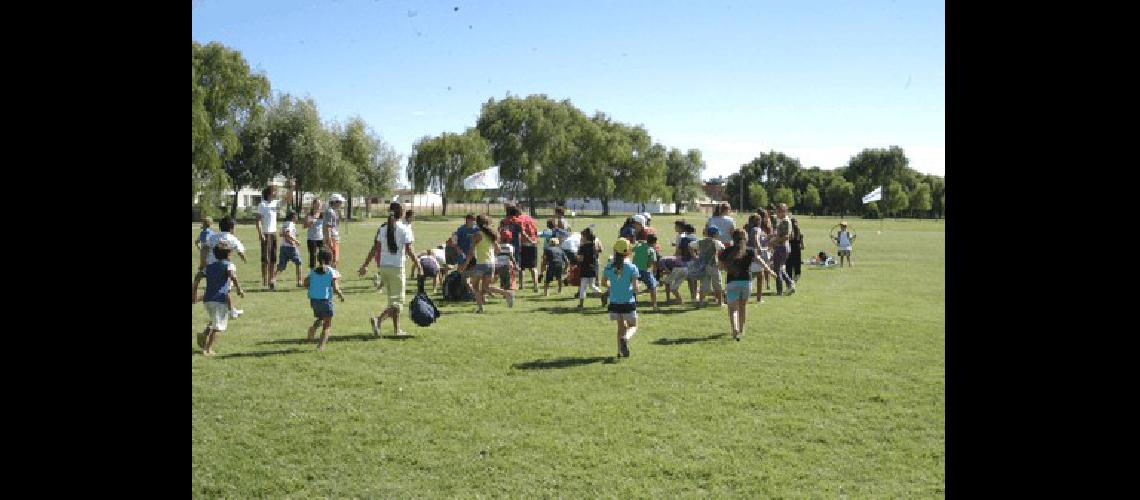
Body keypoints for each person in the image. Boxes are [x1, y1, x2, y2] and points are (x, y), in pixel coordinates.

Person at [358, 202, 421, 337]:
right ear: (401, 213)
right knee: (397, 303)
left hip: (384, 268)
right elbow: (410, 250)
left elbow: (375, 248)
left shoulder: (383, 228)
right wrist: (419, 265)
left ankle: (397, 330)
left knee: (392, 300)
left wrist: (365, 265)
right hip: (396, 268)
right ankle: (378, 320)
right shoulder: (404, 229)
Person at [192, 243, 246, 356]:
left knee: (216, 320)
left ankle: (204, 335)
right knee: (219, 327)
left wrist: (194, 293)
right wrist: (239, 289)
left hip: (207, 300)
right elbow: (232, 276)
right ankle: (207, 349)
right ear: (229, 254)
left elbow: (197, 277)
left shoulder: (209, 267)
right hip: (219, 300)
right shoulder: (228, 265)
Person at [458, 215, 516, 313]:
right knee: (486, 287)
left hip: (482, 263)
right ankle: (507, 293)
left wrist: (464, 265)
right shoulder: (491, 235)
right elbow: (498, 250)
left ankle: (481, 308)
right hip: (491, 263)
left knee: (475, 285)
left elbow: (470, 253)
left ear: (478, 223)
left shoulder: (476, 235)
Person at [721, 229, 768, 341]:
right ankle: (741, 330)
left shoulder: (727, 251)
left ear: (733, 238)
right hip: (746, 282)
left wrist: (728, 268)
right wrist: (770, 271)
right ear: (745, 239)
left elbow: (721, 266)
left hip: (732, 282)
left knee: (733, 309)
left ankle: (735, 329)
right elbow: (761, 262)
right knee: (743, 307)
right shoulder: (750, 251)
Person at [201, 217, 248, 319]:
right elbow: (241, 251)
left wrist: (203, 262)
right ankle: (226, 312)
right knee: (225, 289)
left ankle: (231, 310)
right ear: (231, 228)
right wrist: (244, 258)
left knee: (220, 289)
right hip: (224, 267)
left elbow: (204, 247)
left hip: (211, 267)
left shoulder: (213, 237)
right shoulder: (232, 238)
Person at [604, 238, 641, 358]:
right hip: (628, 302)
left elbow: (604, 282)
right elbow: (636, 289)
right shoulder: (631, 267)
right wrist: (638, 289)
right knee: (633, 326)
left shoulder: (609, 266)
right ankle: (625, 338)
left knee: (620, 327)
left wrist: (613, 286)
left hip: (614, 303)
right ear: (628, 252)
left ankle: (619, 352)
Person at [305, 249, 346, 351]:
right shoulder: (332, 272)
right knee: (327, 324)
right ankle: (321, 346)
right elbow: (336, 288)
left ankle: (313, 328)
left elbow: (305, 283)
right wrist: (341, 295)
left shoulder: (313, 271)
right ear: (331, 260)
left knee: (321, 318)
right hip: (326, 300)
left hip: (314, 301)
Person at [255, 185, 281, 289]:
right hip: (266, 234)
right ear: (269, 193)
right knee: (265, 259)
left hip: (273, 234)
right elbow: (258, 221)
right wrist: (260, 234)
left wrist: (292, 188)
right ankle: (264, 280)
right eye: (274, 191)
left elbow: (287, 199)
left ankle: (271, 280)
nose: (276, 193)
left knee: (273, 258)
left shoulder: (275, 204)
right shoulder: (262, 205)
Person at [771, 203, 797, 295]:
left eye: (778, 211)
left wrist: (774, 241)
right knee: (779, 268)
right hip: (782, 247)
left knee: (777, 269)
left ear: (783, 211)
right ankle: (790, 283)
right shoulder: (782, 220)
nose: (776, 213)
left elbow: (786, 236)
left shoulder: (785, 221)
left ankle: (780, 291)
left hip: (781, 247)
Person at [697, 226, 726, 307]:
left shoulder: (700, 241)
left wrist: (694, 256)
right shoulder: (716, 242)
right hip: (713, 266)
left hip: (704, 266)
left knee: (704, 284)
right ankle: (720, 302)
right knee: (717, 284)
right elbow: (723, 250)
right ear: (715, 234)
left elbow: (691, 245)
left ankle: (701, 302)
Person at [630, 233, 660, 311]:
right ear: (654, 242)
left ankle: (633, 303)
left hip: (634, 270)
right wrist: (653, 272)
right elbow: (652, 262)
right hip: (644, 271)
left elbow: (631, 249)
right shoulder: (651, 250)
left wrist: (640, 242)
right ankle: (654, 305)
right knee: (653, 287)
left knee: (633, 286)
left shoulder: (639, 246)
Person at [576, 228, 603, 309]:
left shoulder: (583, 247)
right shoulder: (594, 246)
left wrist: (577, 256)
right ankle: (602, 294)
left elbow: (580, 259)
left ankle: (581, 304)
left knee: (583, 287)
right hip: (593, 268)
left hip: (585, 268)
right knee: (592, 285)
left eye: (582, 237)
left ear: (585, 237)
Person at [277, 211, 305, 287]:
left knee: (281, 266)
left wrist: (293, 234)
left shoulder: (284, 223)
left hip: (283, 247)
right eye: (296, 216)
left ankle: (272, 280)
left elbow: (281, 234)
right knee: (299, 263)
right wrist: (295, 241)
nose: (297, 218)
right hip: (290, 247)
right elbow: (287, 234)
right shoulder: (290, 224)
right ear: (293, 217)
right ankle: (299, 282)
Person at [323, 194, 345, 267]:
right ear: (335, 202)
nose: (341, 204)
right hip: (332, 238)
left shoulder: (333, 211)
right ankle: (331, 276)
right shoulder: (330, 212)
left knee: (333, 259)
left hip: (333, 237)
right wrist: (329, 241)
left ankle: (331, 275)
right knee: (333, 259)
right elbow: (328, 227)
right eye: (340, 202)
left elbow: (336, 224)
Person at [304, 199, 325, 270]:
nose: (319, 206)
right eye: (317, 204)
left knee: (322, 255)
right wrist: (313, 219)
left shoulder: (323, 215)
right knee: (313, 255)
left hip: (321, 238)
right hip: (312, 239)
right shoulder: (310, 214)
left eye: (320, 204)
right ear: (313, 205)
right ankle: (312, 272)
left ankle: (322, 271)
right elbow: (305, 226)